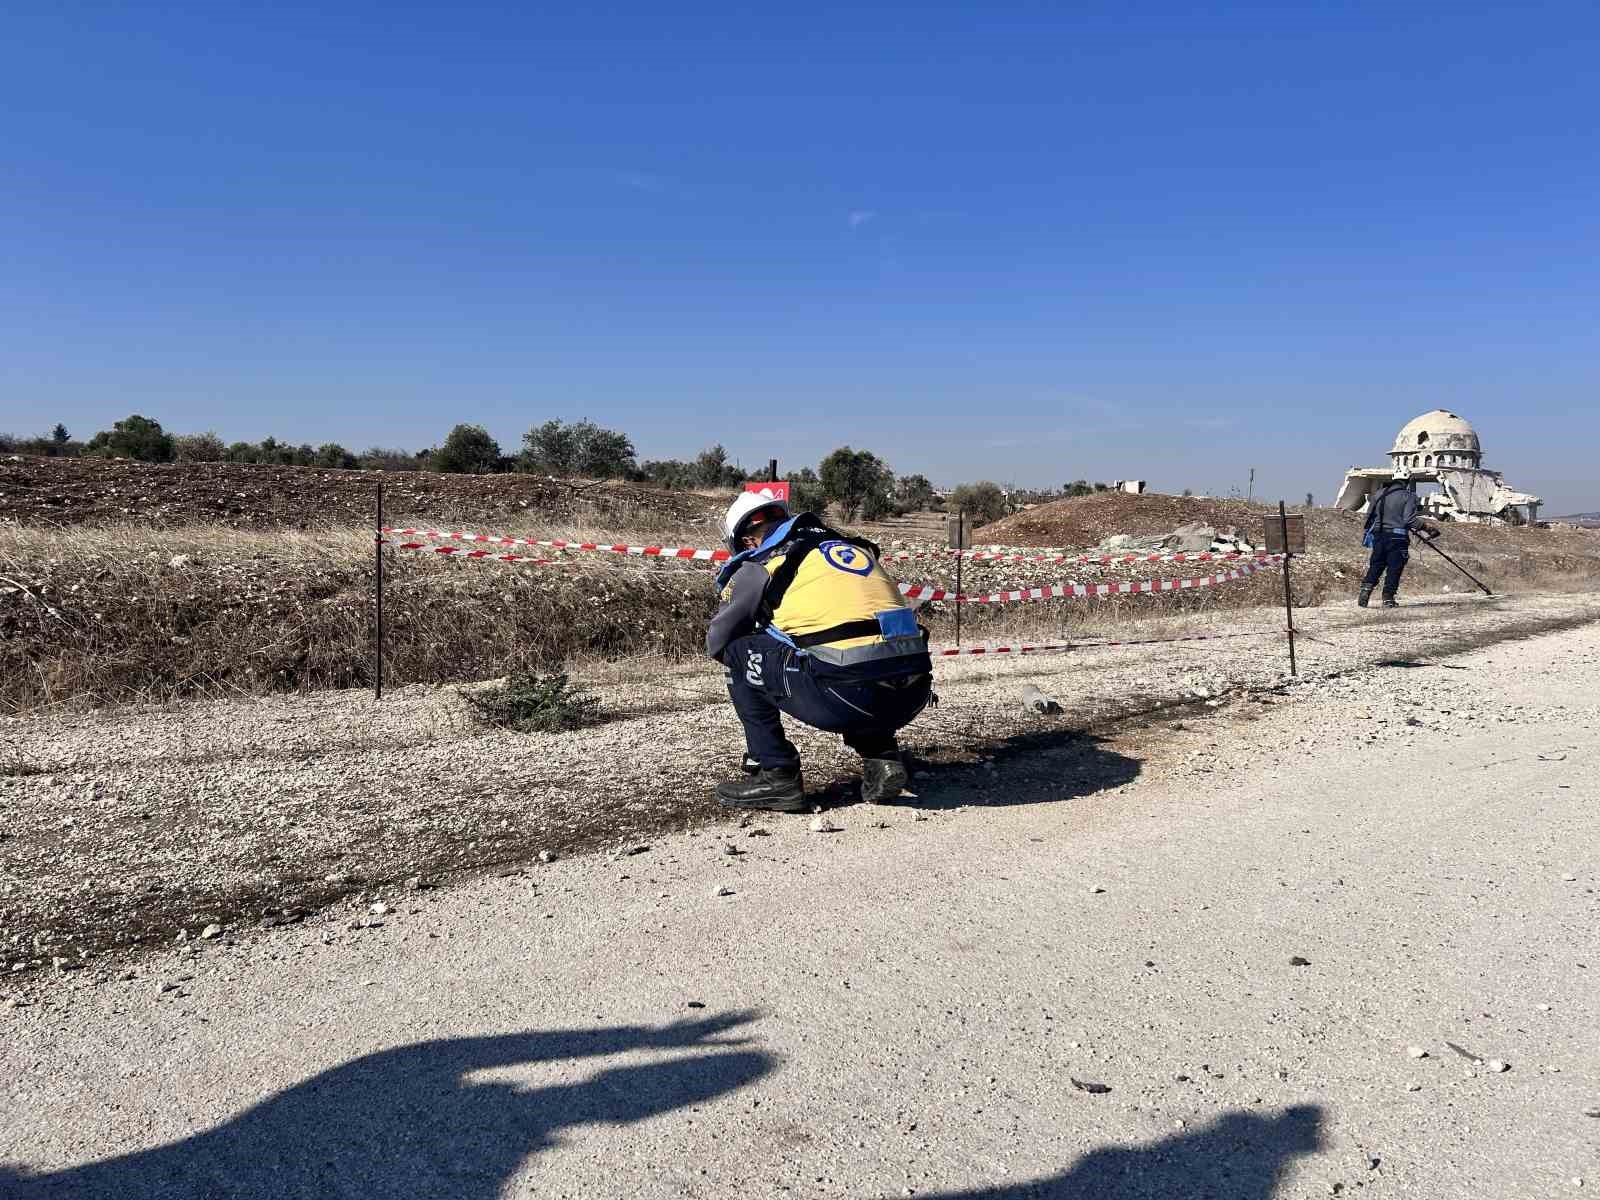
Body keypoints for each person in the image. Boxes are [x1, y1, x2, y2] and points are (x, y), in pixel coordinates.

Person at [707, 492, 933, 812]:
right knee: (850, 653)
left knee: (738, 651)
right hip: (914, 691)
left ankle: (776, 773)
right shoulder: (848, 548)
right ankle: (881, 757)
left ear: (747, 542)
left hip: (848, 696)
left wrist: (758, 670)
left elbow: (719, 639)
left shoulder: (765, 561)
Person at [1359, 468, 1440, 607]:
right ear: (1407, 481)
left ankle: (1365, 591)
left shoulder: (1378, 494)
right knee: (1394, 568)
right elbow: (1410, 520)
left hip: (1379, 536)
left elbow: (1369, 516)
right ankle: (1388, 598)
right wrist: (1427, 527)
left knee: (1376, 565)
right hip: (1398, 538)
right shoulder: (1408, 496)